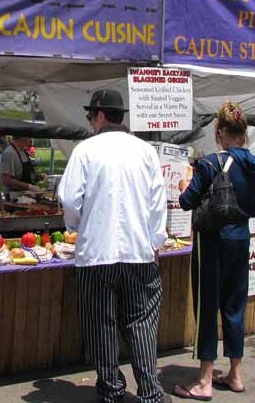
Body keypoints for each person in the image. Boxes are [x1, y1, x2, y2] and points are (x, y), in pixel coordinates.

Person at [58, 89, 171, 403]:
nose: (90, 122)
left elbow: (68, 198)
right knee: (142, 325)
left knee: (101, 324)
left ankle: (111, 390)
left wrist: (78, 227)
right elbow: (157, 203)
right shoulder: (145, 151)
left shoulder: (86, 150)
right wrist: (156, 241)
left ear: (100, 114)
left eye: (90, 116)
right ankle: (150, 391)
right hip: (139, 252)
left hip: (97, 254)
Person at [173, 100, 255, 399]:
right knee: (235, 307)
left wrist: (186, 183)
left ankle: (204, 380)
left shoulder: (210, 163)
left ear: (221, 133)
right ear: (244, 133)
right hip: (241, 241)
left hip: (212, 243)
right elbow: (253, 207)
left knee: (208, 306)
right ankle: (235, 374)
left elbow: (187, 202)